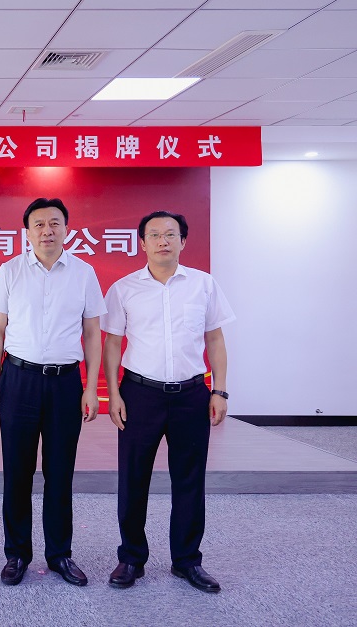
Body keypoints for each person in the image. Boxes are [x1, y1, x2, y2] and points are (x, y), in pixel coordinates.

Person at [102, 210, 234, 593]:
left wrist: (220, 390)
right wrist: (113, 394)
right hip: (139, 395)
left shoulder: (203, 285)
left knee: (190, 479)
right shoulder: (123, 289)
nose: (163, 240)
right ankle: (131, 558)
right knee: (133, 479)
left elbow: (215, 339)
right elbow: (112, 344)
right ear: (142, 243)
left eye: (171, 234)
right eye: (155, 234)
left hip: (192, 395)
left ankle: (187, 561)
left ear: (183, 241)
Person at [0, 198, 106, 587]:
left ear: (67, 229)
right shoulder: (10, 271)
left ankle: (59, 555)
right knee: (17, 472)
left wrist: (91, 387)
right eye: (39, 224)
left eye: (54, 223)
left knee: (60, 473)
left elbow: (92, 333)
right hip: (19, 380)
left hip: (65, 383)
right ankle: (17, 554)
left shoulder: (83, 273)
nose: (47, 230)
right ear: (27, 231)